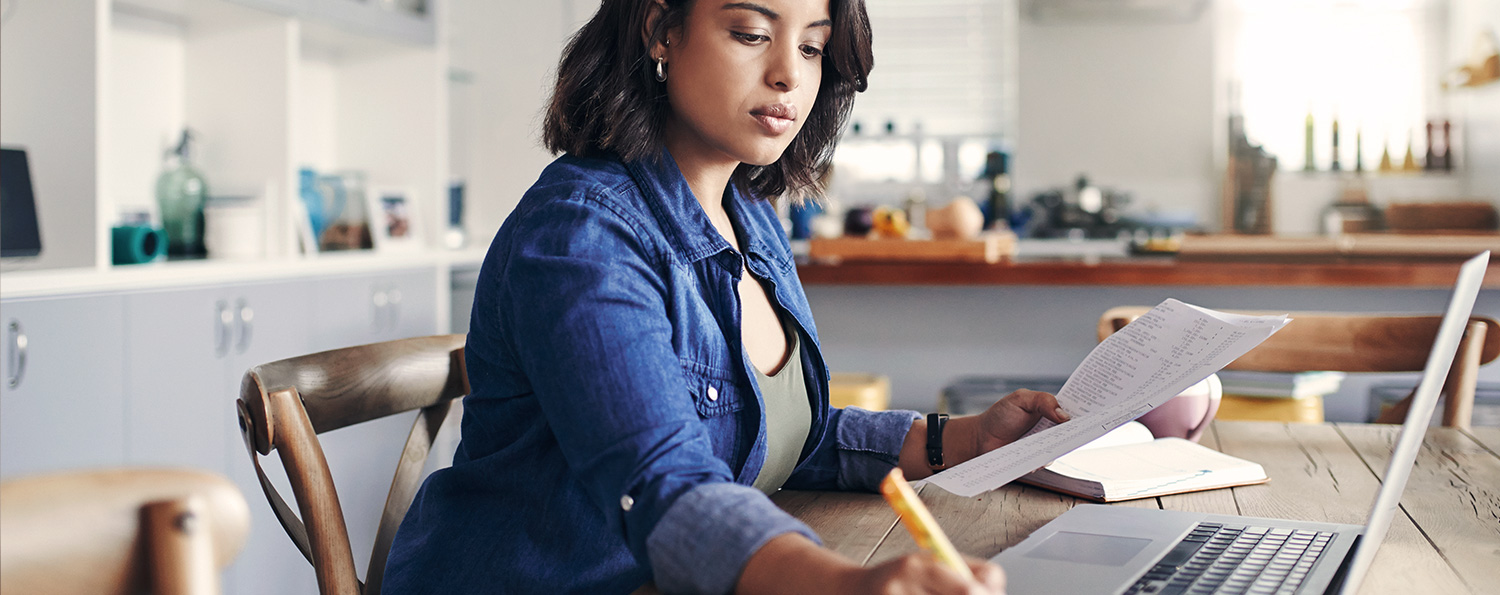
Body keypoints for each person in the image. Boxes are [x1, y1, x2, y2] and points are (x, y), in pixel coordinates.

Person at [381, 0, 1069, 592]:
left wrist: (964, 437)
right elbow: (663, 480)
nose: (788, 74)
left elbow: (783, 437)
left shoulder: (753, 218)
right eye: (750, 33)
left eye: (812, 46)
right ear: (661, 30)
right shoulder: (582, 235)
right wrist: (840, 581)